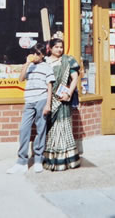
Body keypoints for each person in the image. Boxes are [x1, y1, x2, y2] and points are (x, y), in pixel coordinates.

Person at [6, 42, 55, 174]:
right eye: (34, 53)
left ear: (43, 55)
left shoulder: (46, 67)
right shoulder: (29, 66)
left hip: (41, 99)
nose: (35, 56)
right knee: (24, 129)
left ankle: (38, 159)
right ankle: (21, 161)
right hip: (29, 100)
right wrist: (27, 63)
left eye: (38, 54)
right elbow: (21, 79)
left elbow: (49, 86)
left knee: (41, 129)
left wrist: (48, 104)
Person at [43, 37, 81, 171]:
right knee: (52, 130)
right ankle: (52, 159)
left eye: (61, 47)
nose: (59, 49)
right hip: (48, 100)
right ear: (50, 48)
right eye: (56, 47)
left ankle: (67, 160)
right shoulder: (45, 61)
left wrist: (68, 93)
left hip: (62, 100)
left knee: (63, 128)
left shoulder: (67, 60)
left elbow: (75, 78)